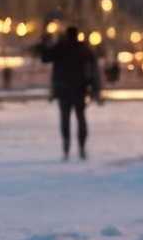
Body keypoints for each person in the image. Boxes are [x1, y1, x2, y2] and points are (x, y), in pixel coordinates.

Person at [40, 26, 103, 160]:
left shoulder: (60, 48)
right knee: (81, 118)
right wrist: (94, 89)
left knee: (65, 119)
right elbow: (93, 70)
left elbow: (45, 58)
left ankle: (66, 146)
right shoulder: (84, 50)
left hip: (63, 90)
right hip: (80, 89)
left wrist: (46, 42)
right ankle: (81, 147)